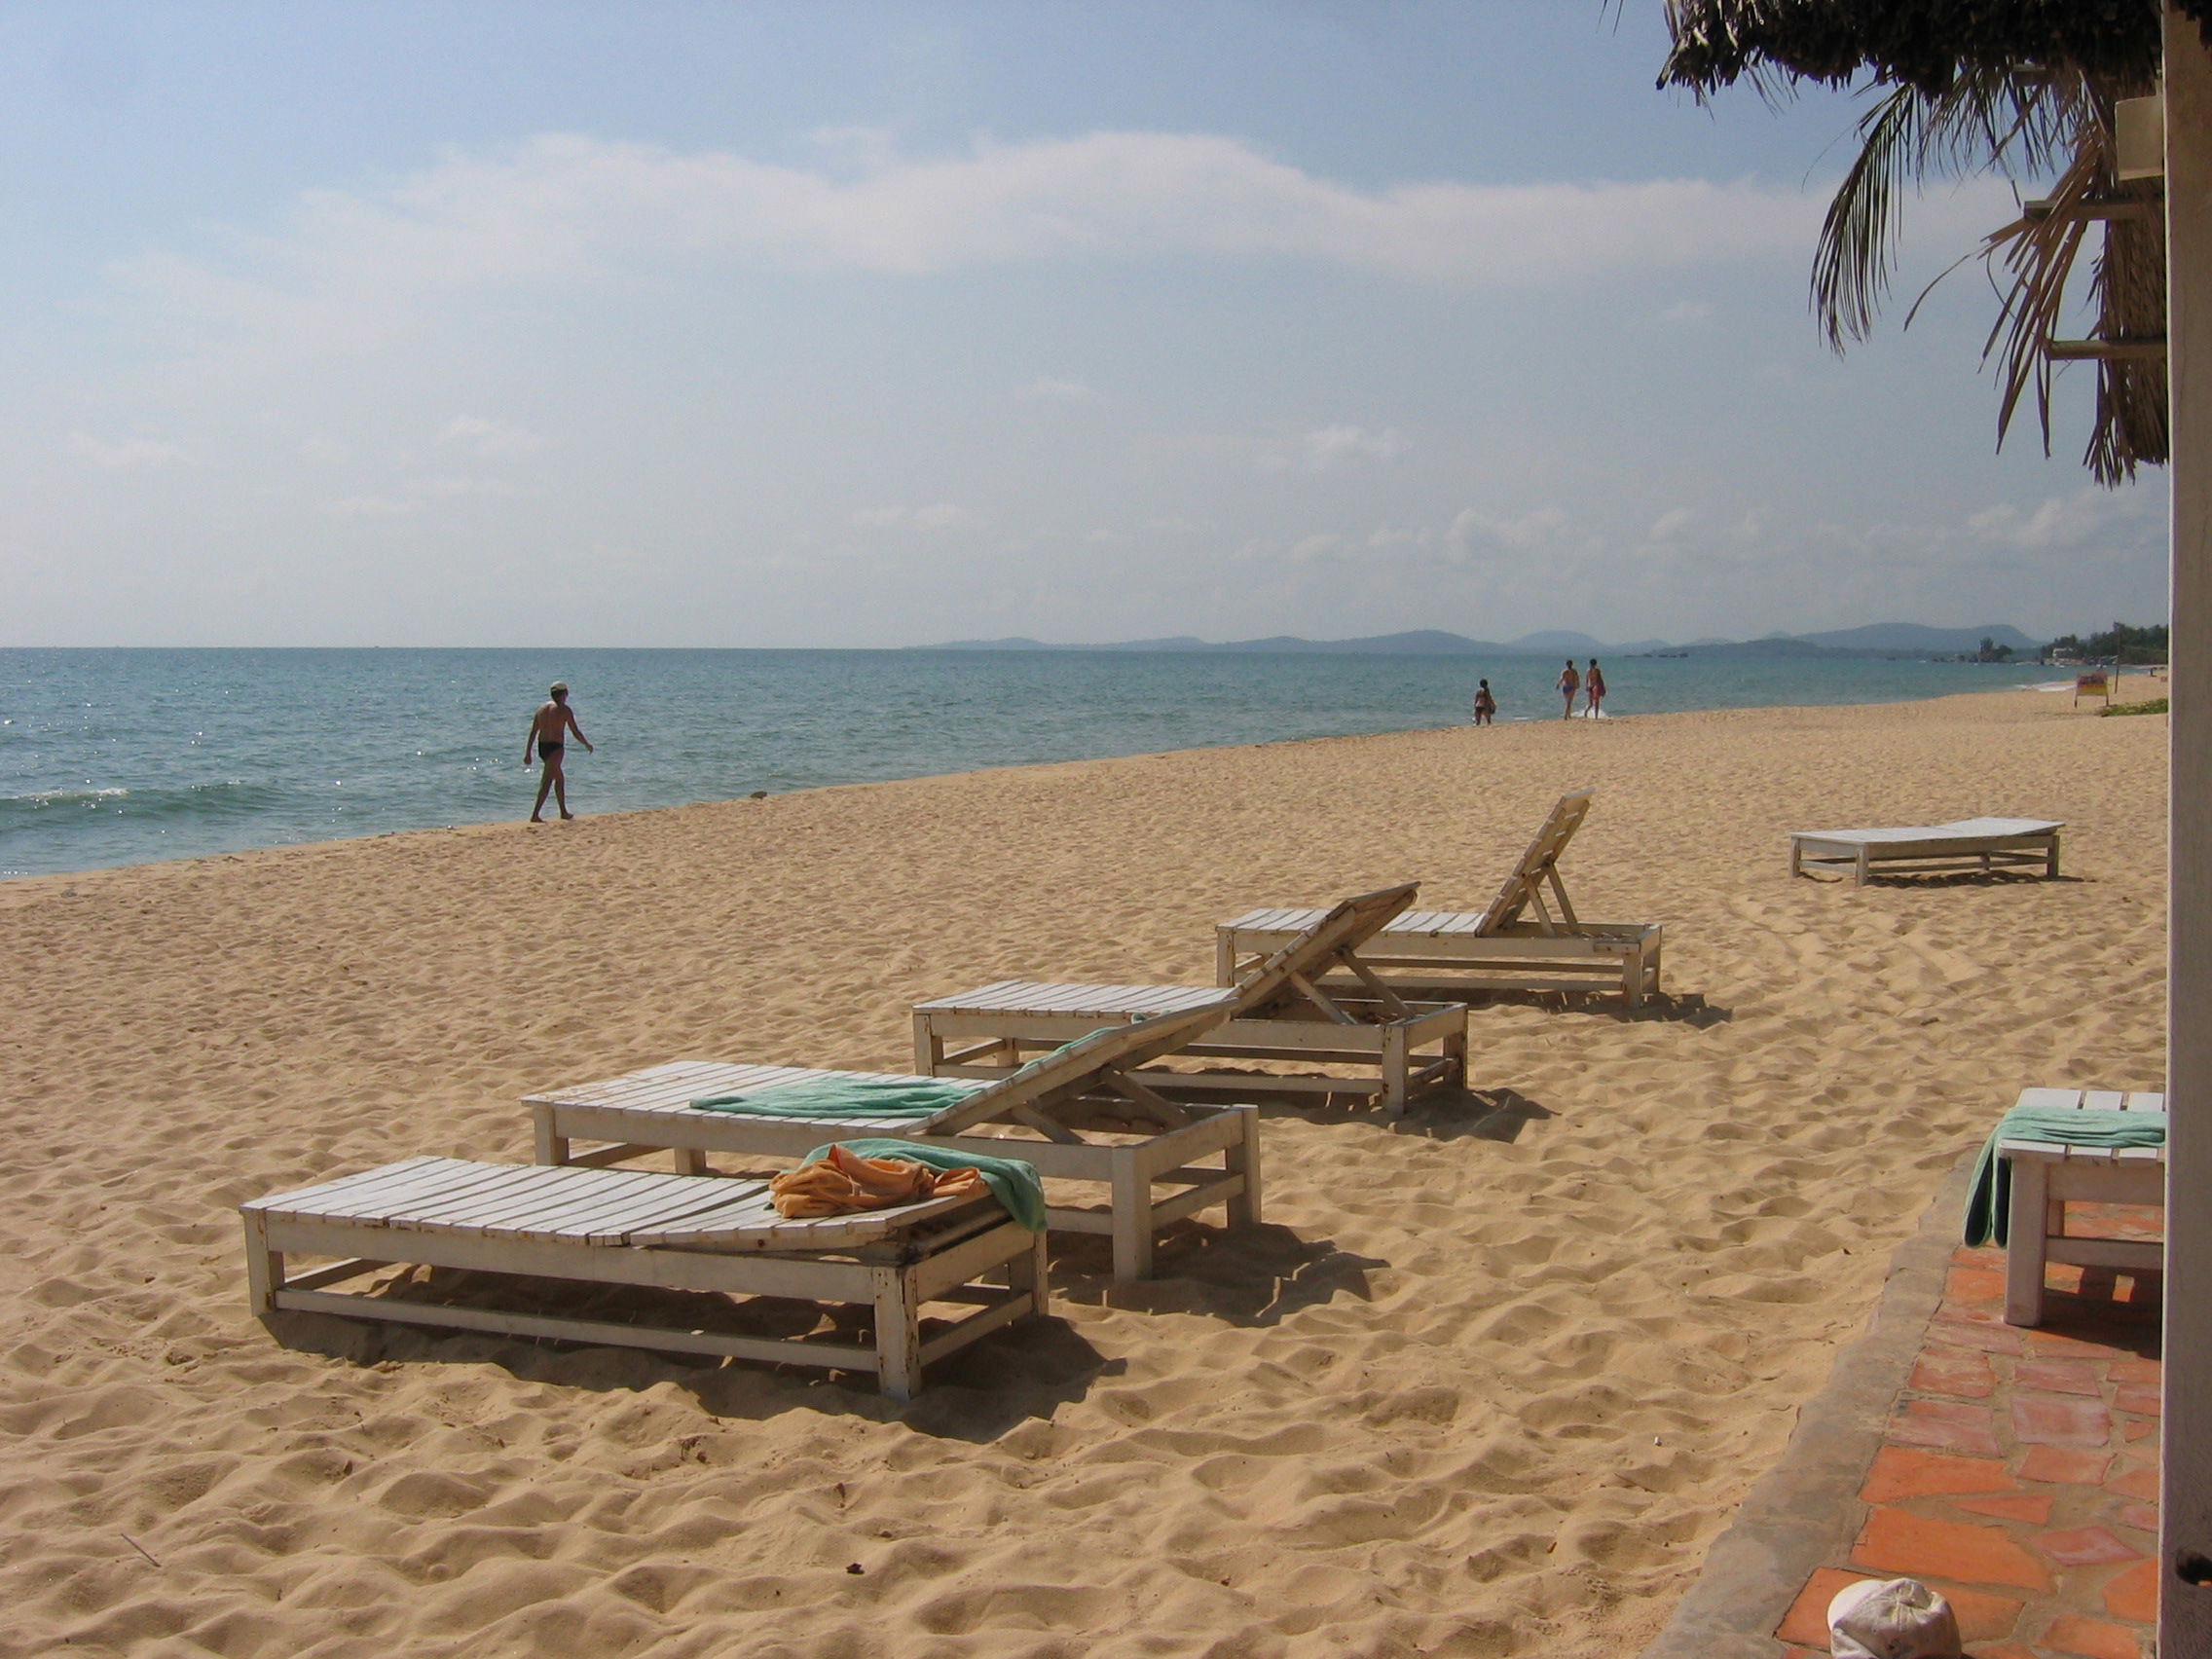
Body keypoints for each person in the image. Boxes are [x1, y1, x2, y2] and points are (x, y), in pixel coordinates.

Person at [526, 682, 594, 822]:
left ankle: (563, 811)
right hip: (556, 747)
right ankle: (535, 815)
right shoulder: (564, 710)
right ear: (564, 694)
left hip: (542, 748)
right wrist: (586, 743)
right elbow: (575, 731)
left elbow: (533, 733)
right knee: (547, 781)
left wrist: (528, 752)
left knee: (559, 779)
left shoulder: (541, 709)